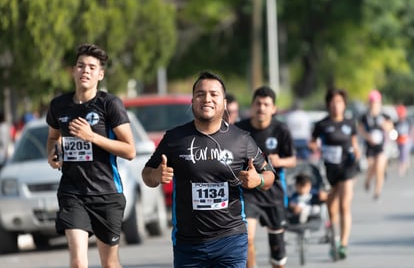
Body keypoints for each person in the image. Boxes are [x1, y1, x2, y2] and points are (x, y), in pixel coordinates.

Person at [141, 71, 276, 268]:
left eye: (214, 94)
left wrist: (259, 180)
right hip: (188, 243)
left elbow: (269, 174)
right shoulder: (175, 138)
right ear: (193, 100)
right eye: (200, 94)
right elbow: (146, 174)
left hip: (230, 239)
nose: (207, 99)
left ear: (224, 102)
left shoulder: (241, 139)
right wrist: (155, 175)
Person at [46, 43, 136, 268]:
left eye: (92, 67)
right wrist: (52, 154)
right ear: (73, 71)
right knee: (77, 262)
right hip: (72, 192)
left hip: (106, 192)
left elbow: (130, 150)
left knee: (110, 264)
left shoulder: (109, 104)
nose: (85, 71)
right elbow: (52, 138)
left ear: (100, 74)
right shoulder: (59, 105)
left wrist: (92, 137)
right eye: (81, 66)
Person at [236, 86, 296, 268]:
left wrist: (280, 161)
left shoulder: (281, 129)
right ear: (252, 106)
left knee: (278, 254)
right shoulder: (239, 130)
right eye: (258, 103)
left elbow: (293, 160)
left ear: (273, 108)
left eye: (266, 104)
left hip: (274, 193)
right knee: (247, 239)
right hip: (248, 194)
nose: (261, 108)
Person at [309, 88, 361, 260]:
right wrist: (314, 147)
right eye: (333, 102)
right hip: (328, 171)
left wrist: (358, 152)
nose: (336, 105)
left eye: (339, 102)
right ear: (328, 104)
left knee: (344, 205)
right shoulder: (322, 124)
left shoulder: (349, 123)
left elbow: (354, 143)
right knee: (331, 208)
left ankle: (344, 244)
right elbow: (312, 142)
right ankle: (334, 239)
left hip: (347, 167)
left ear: (344, 105)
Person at [358, 90, 393, 200]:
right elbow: (361, 130)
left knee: (380, 168)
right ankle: (368, 180)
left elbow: (391, 129)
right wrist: (368, 137)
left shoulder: (384, 115)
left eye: (376, 103)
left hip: (381, 146)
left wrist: (384, 124)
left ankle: (377, 191)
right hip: (369, 146)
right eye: (372, 103)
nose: (374, 105)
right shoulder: (365, 116)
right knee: (371, 167)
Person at [394, 104, 413, 176]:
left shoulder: (408, 121)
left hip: (407, 139)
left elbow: (411, 130)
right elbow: (394, 131)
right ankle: (403, 164)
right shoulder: (396, 122)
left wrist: (410, 137)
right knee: (400, 153)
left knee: (404, 152)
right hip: (399, 140)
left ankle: (403, 167)